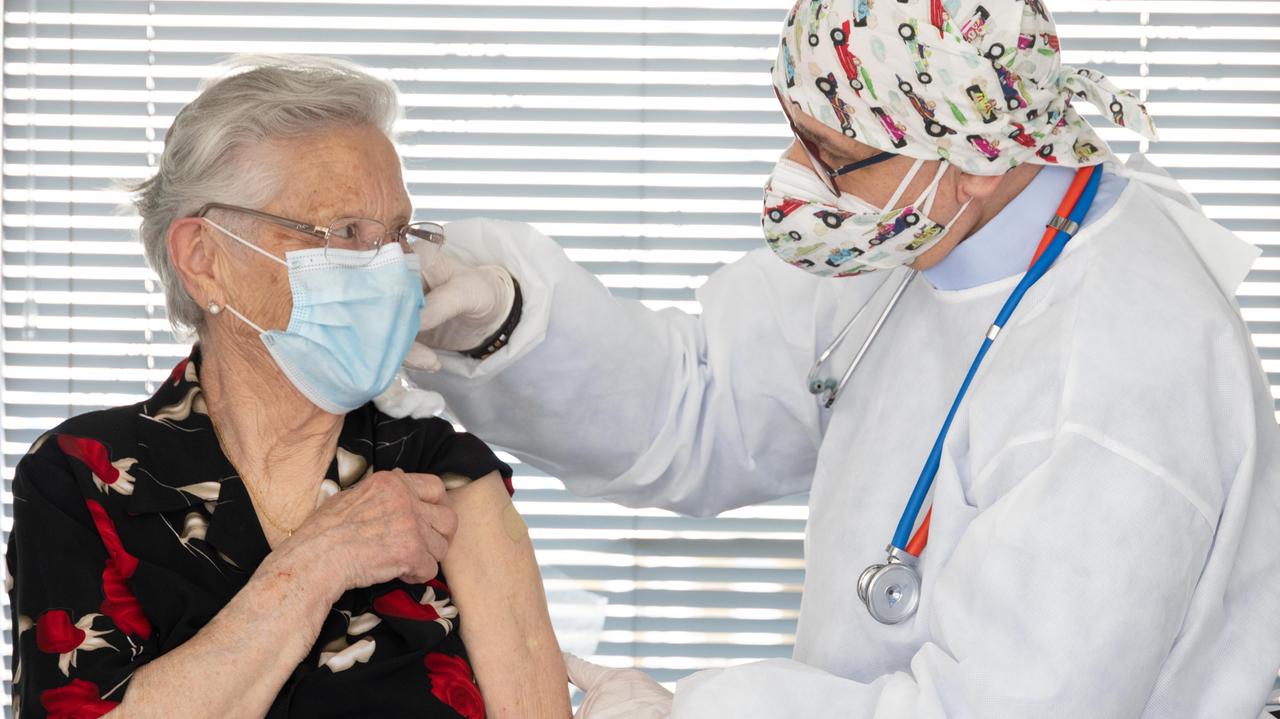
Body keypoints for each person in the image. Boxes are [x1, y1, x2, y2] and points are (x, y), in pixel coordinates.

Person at [399, 0, 1280, 716]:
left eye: (830, 154)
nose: (795, 176)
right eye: (794, 133)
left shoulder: (1123, 376)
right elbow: (702, 397)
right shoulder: (916, 226)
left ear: (973, 159)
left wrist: (699, 715)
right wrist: (510, 321)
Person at [5, 56, 570, 719]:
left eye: (396, 235)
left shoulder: (444, 474)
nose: (387, 267)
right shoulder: (83, 480)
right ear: (204, 259)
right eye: (346, 233)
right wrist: (319, 559)